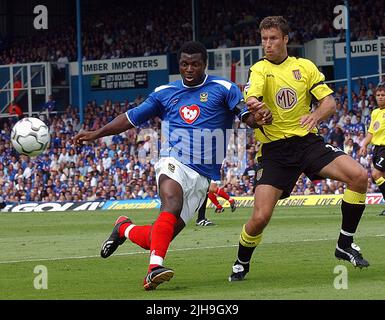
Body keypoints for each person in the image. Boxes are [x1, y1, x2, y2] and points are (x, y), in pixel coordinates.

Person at [73, 41, 272, 291]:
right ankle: (154, 269)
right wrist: (97, 133)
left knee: (156, 236)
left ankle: (123, 228)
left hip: (202, 176)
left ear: (204, 65)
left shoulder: (224, 88)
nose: (189, 69)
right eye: (185, 64)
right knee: (172, 204)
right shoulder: (164, 92)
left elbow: (246, 116)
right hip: (172, 160)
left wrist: (259, 118)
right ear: (179, 65)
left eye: (195, 64)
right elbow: (130, 118)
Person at [228, 16, 370, 282]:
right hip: (275, 151)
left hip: (307, 144)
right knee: (260, 217)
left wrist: (315, 117)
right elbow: (251, 98)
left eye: (273, 39)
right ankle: (241, 262)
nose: (267, 45)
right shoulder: (259, 69)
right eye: (264, 40)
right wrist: (258, 108)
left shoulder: (304, 66)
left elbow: (329, 102)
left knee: (359, 176)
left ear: (285, 39)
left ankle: (344, 244)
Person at [358, 82, 385, 215]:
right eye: (378, 95)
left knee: (376, 174)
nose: (380, 97)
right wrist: (363, 144)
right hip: (377, 149)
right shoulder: (375, 113)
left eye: (383, 95)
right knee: (381, 176)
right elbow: (371, 132)